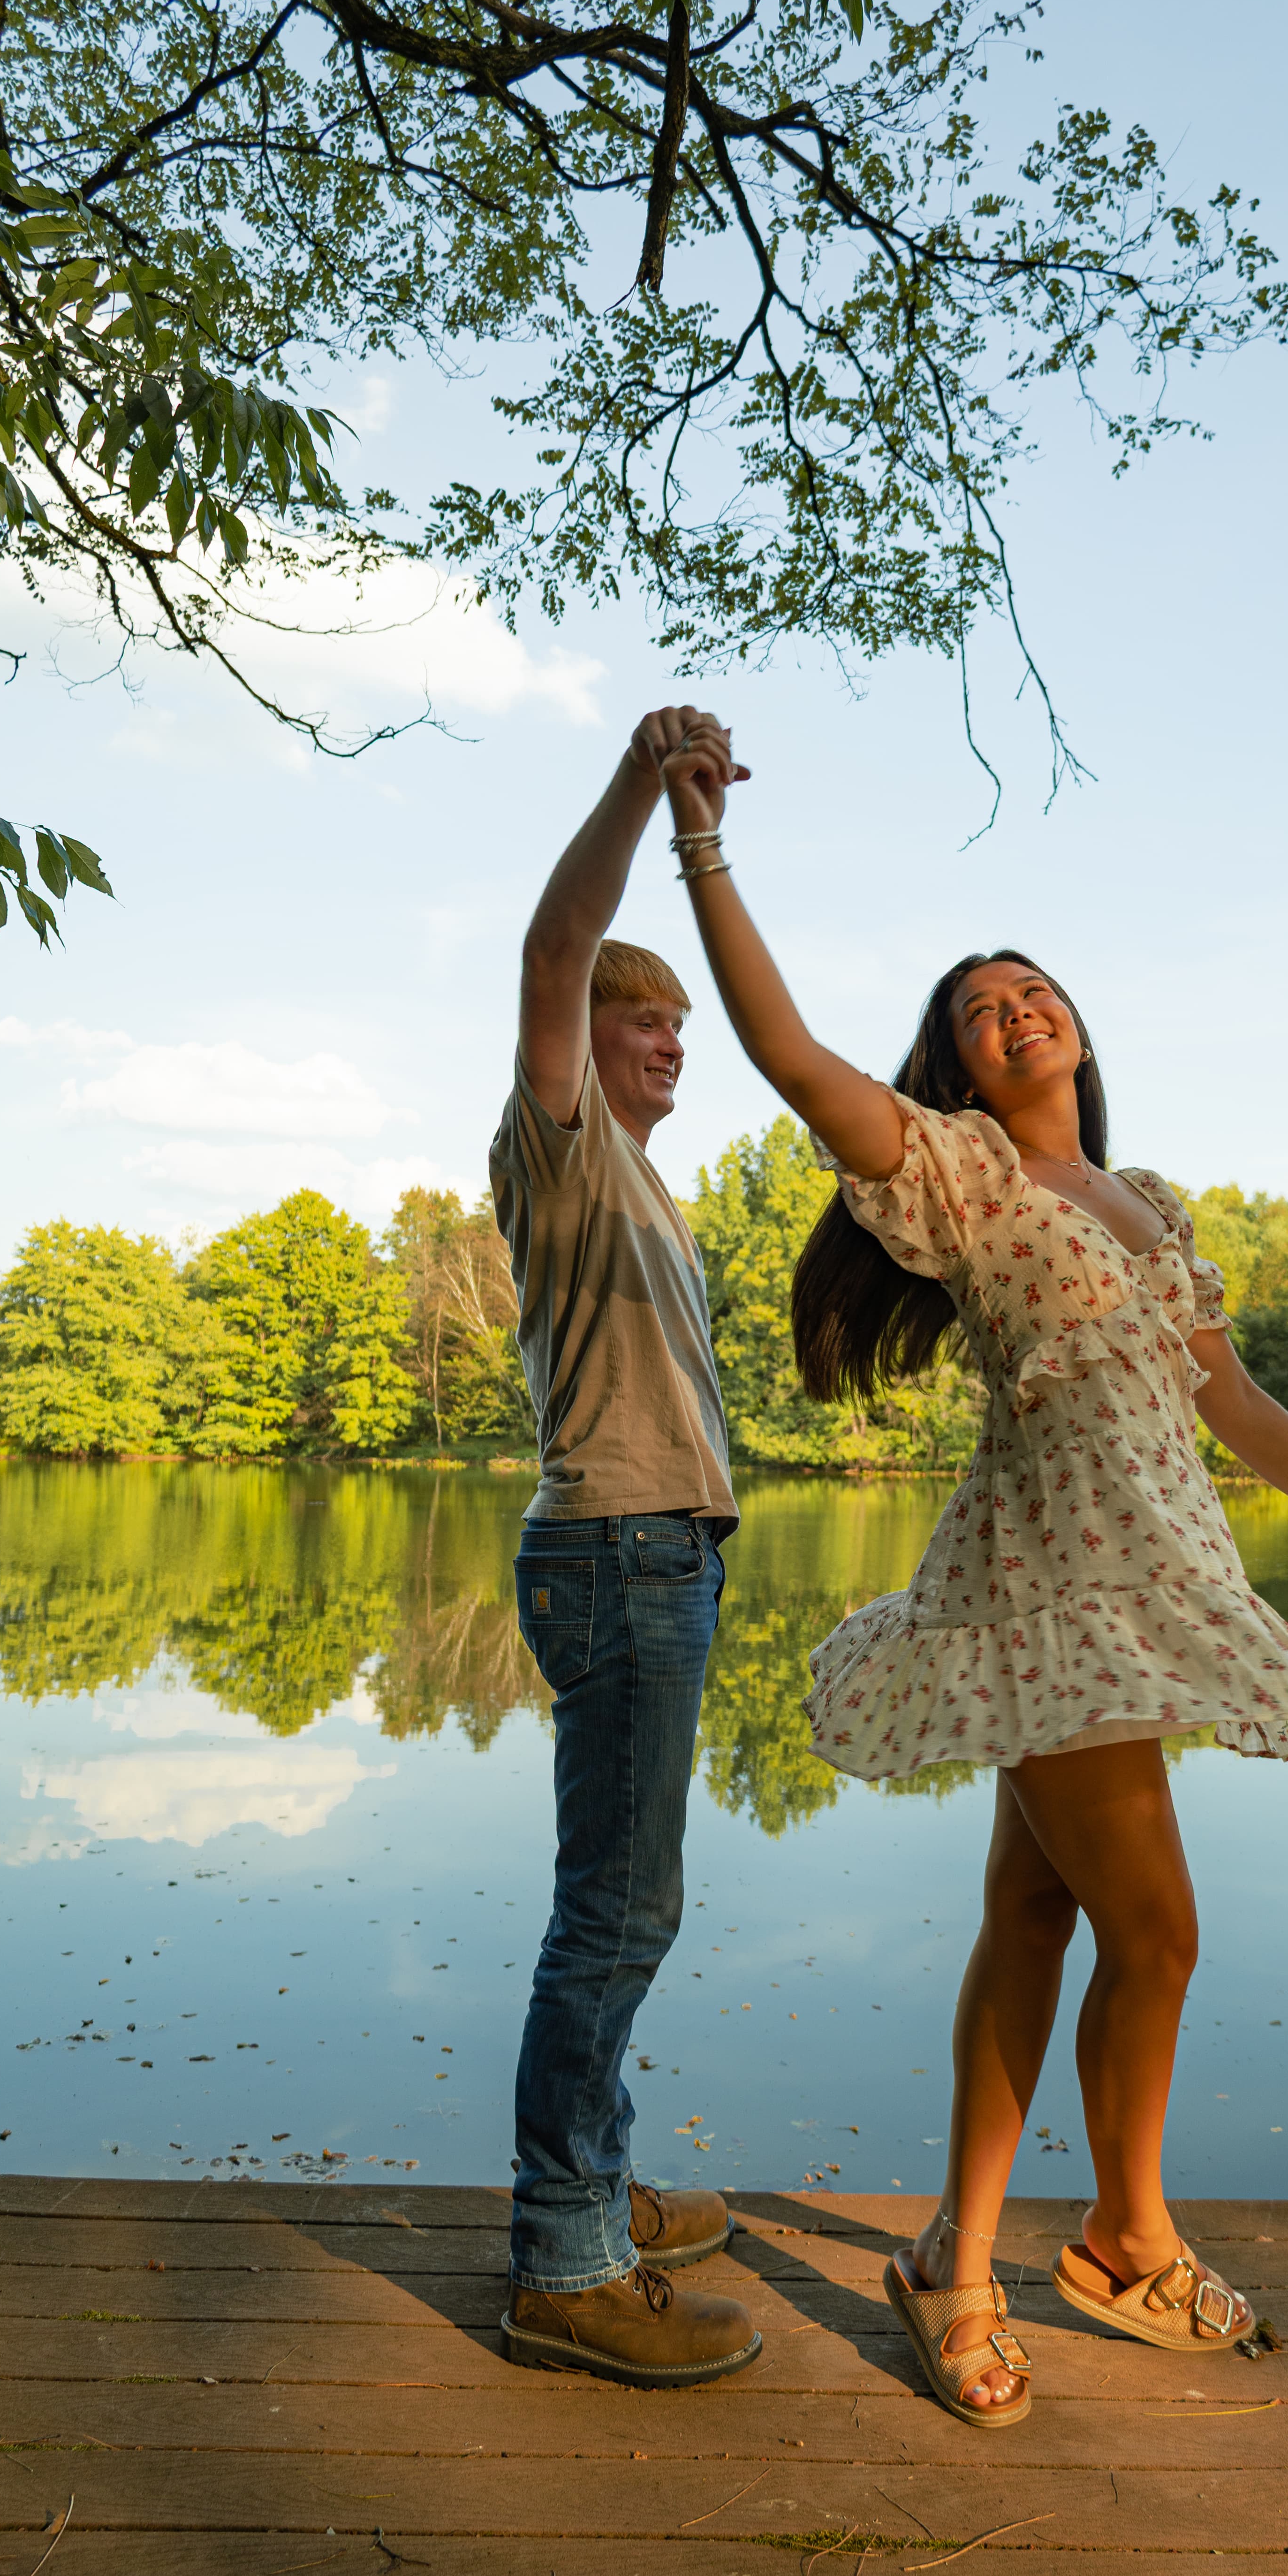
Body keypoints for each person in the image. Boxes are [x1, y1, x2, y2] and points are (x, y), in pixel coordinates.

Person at [658, 727, 1288, 2430]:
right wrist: (705, 856)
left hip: (1152, 1583)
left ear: (1084, 1029)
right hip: (1042, 1586)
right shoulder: (961, 1177)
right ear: (957, 1064)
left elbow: (1231, 1401)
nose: (1015, 1007)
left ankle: (951, 2262)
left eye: (1036, 988)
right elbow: (793, 1056)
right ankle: (1120, 2233)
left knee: (1038, 1918)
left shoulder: (1153, 1204)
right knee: (1159, 1931)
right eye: (981, 1004)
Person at [488, 702, 763, 2389]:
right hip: (616, 1550)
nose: (670, 1042)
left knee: (630, 1901)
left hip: (662, 1555)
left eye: (676, 1023)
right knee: (616, 1911)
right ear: (580, 1045)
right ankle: (563, 2259)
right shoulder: (563, 1146)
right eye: (640, 1020)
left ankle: (598, 2184)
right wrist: (644, 787)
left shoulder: (651, 1189)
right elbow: (554, 935)